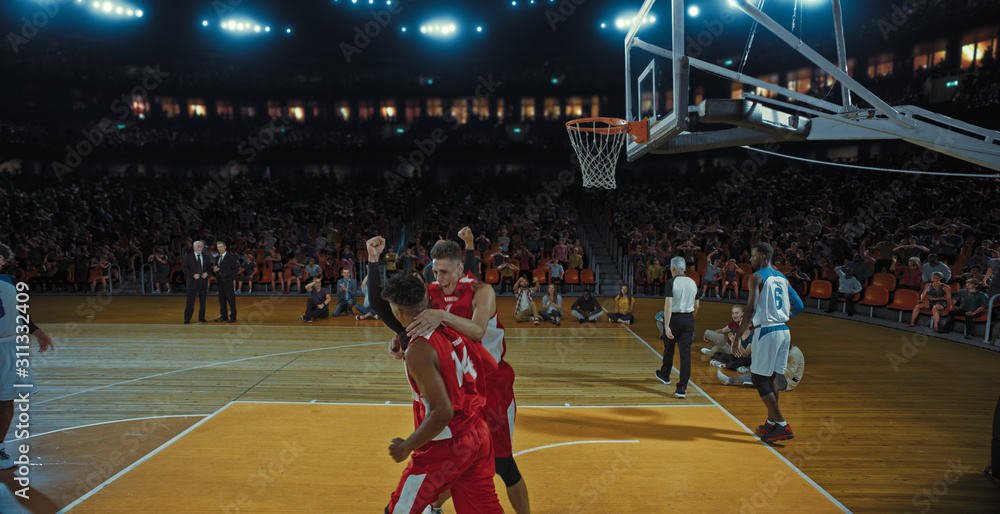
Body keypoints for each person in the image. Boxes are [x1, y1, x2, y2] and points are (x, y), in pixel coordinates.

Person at [384, 230, 530, 514]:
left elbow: (476, 331)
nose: (440, 278)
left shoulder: (481, 292)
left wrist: (443, 315)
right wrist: (401, 336)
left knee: (502, 462)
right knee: (465, 457)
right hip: (462, 384)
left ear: (462, 269)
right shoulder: (432, 293)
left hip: (492, 382)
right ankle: (436, 507)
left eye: (446, 272)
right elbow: (406, 313)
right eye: (435, 272)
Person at [380, 272, 504, 514]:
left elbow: (442, 411)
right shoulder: (453, 326)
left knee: (398, 511)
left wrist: (407, 445)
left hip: (445, 445)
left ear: (398, 313)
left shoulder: (419, 350)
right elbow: (490, 365)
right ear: (427, 298)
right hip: (477, 433)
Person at [733, 242, 804, 443]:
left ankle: (782, 424)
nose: (750, 260)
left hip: (768, 331)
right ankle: (771, 422)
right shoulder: (783, 277)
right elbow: (798, 304)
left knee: (757, 378)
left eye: (753, 256)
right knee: (771, 377)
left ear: (764, 256)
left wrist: (738, 337)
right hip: (784, 330)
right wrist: (782, 315)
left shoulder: (756, 277)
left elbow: (751, 309)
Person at [1, 243, 55, 469]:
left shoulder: (7, 282)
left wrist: (37, 332)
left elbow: (19, 311)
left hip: (8, 345)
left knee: (6, 398)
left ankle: (0, 447)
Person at [655, 257, 700, 399]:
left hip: (674, 318)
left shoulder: (671, 282)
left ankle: (665, 375)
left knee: (669, 348)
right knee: (685, 355)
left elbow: (668, 305)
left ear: (673, 268)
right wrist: (690, 319)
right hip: (688, 318)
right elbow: (697, 305)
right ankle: (682, 388)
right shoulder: (693, 282)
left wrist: (667, 325)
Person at [719, 344, 803, 392]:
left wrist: (777, 365)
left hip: (788, 383)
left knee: (764, 372)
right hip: (782, 377)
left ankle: (730, 380)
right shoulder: (786, 351)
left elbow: (790, 374)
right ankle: (757, 383)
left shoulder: (794, 354)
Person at [182, 241, 210, 324]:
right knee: (190, 301)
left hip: (202, 282)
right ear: (194, 247)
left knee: (203, 302)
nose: (200, 248)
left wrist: (207, 273)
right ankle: (187, 318)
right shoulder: (188, 257)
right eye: (198, 246)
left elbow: (209, 268)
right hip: (192, 282)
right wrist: (192, 275)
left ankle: (202, 318)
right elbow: (184, 268)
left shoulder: (206, 257)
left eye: (201, 246)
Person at [213, 241, 239, 323]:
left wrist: (231, 278)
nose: (219, 249)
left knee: (231, 300)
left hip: (228, 281)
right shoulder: (217, 258)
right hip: (220, 281)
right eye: (218, 247)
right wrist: (215, 270)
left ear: (225, 247)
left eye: (221, 247)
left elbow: (236, 268)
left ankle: (233, 317)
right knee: (222, 299)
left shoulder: (230, 257)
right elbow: (217, 269)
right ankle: (224, 316)